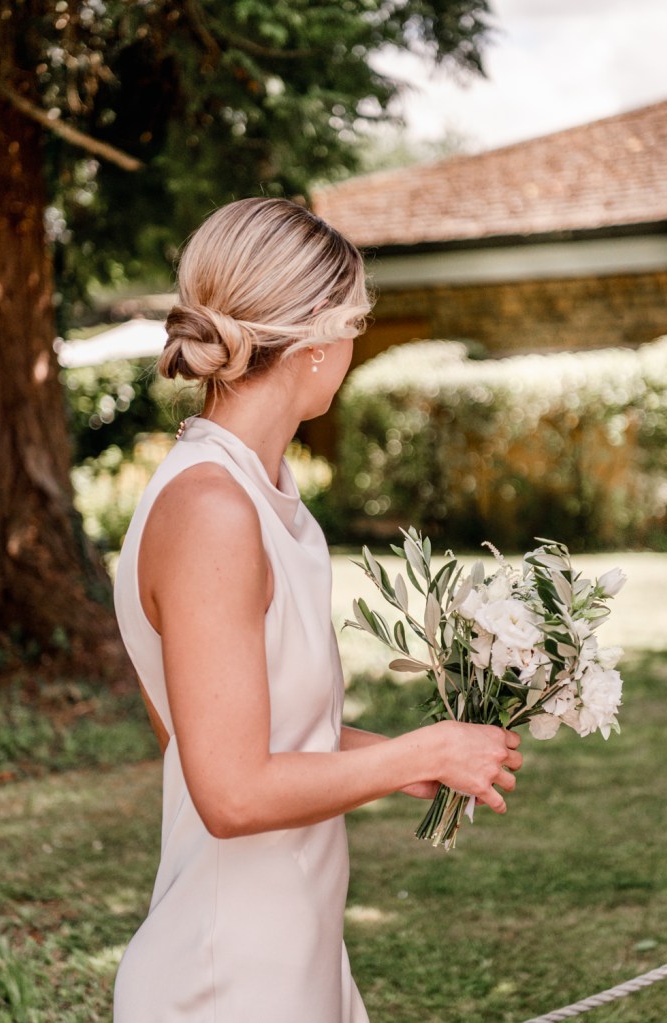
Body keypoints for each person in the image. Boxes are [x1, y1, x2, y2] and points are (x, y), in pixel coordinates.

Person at [112, 197, 523, 1022]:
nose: (355, 346)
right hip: (228, 974)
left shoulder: (259, 493)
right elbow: (228, 791)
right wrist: (426, 744)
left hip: (293, 944)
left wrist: (410, 759)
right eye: (356, 322)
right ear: (314, 340)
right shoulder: (211, 512)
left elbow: (249, 729)